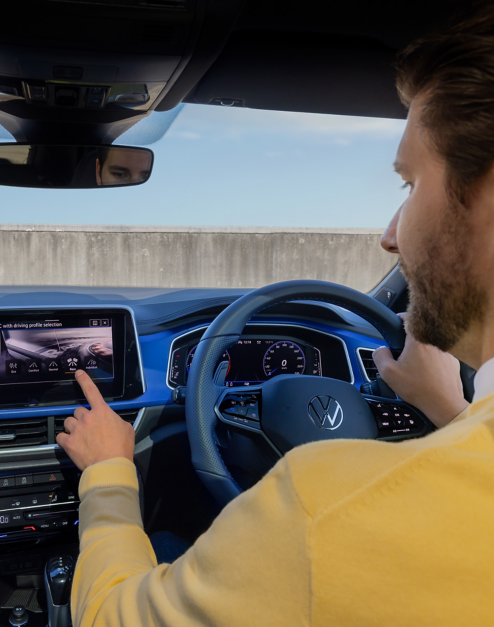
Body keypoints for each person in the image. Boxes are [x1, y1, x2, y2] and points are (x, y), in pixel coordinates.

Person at [56, 5, 494, 625]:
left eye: (409, 185)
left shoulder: (324, 508)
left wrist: (108, 474)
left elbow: (105, 614)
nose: (391, 237)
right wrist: (452, 411)